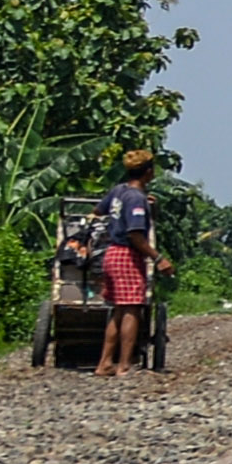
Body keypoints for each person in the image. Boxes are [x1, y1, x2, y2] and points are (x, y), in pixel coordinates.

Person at [96, 151, 157, 379]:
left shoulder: (119, 191)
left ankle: (105, 363)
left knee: (118, 311)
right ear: (148, 172)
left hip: (111, 253)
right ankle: (123, 365)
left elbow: (98, 211)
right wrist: (158, 258)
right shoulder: (136, 198)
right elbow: (136, 235)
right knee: (132, 308)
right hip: (127, 256)